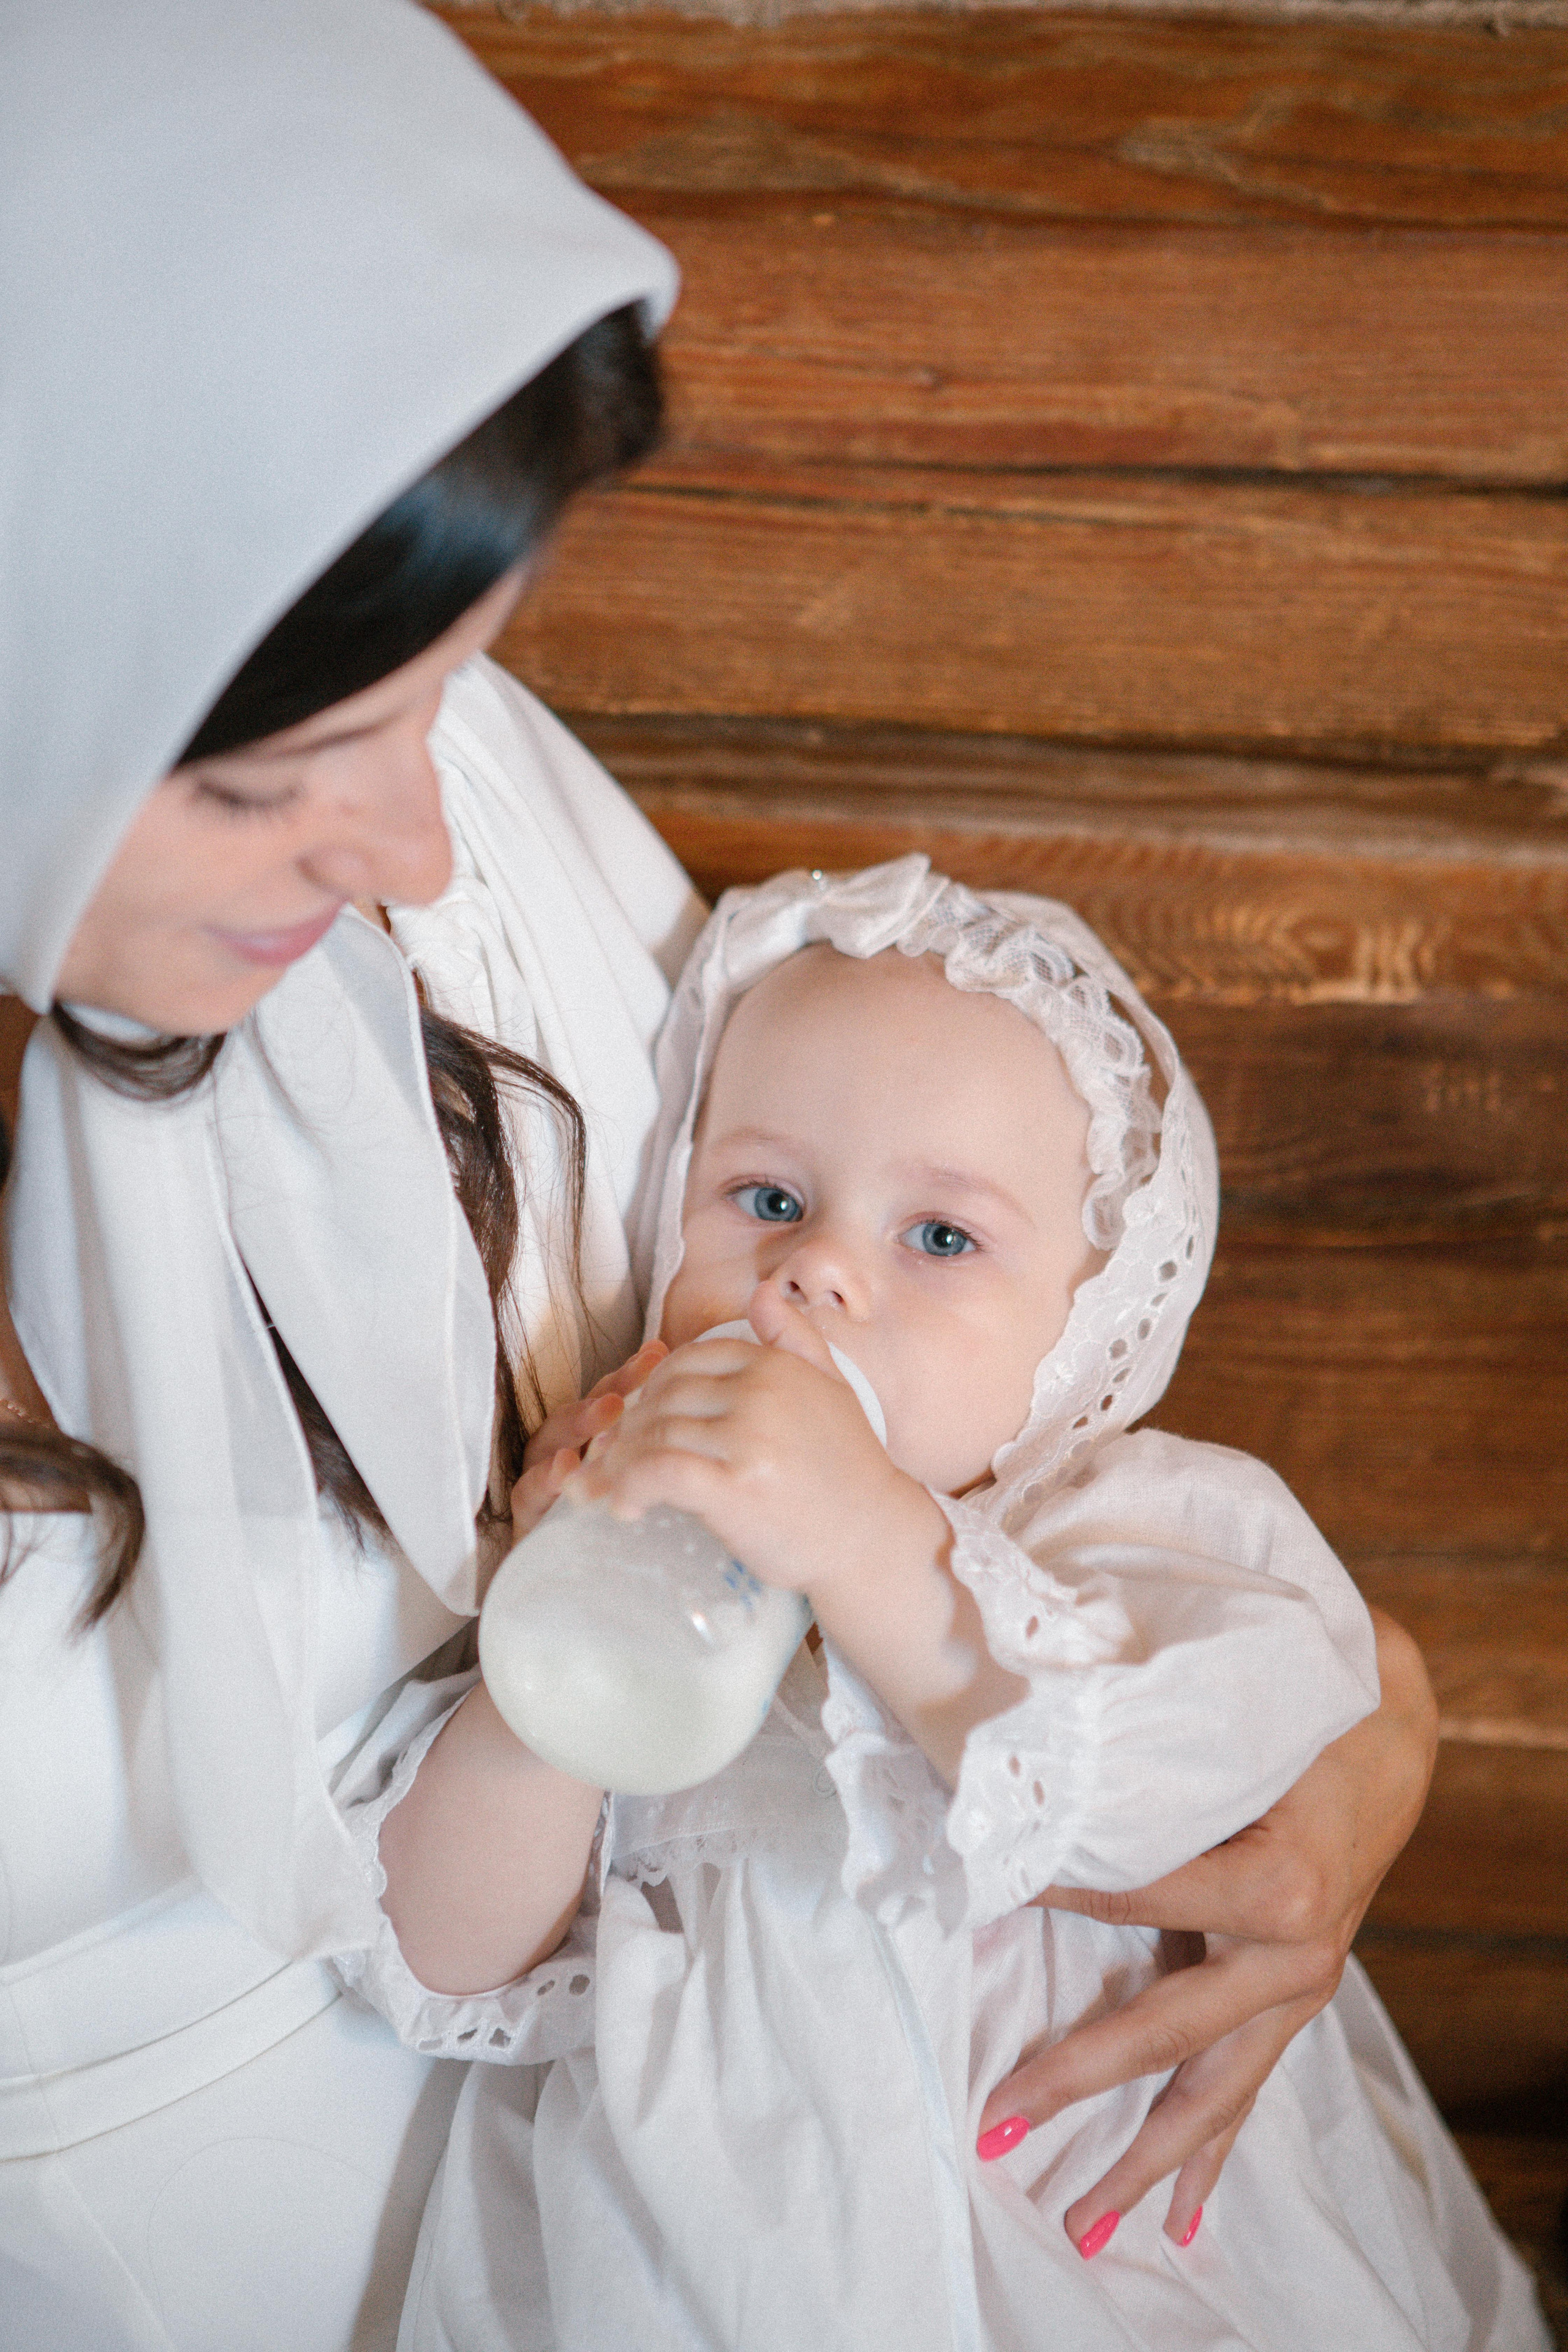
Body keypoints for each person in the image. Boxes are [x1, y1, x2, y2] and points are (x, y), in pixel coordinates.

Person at [0, 2, 1439, 2345]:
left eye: (446, 702)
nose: (411, 848)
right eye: (279, 776)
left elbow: (1225, 1699)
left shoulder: (436, 852)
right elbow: (451, 1927)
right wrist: (556, 1661)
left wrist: (1350, 1754)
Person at [375, 861, 1546, 2352]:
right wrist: (549, 1643)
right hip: (724, 2278)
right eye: (767, 1199)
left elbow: (1142, 1799)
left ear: (1089, 1332)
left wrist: (866, 1536)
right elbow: (440, 1953)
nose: (814, 1273)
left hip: (1087, 2256)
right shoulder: (646, 1547)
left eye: (939, 1237)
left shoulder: (1147, 1536)